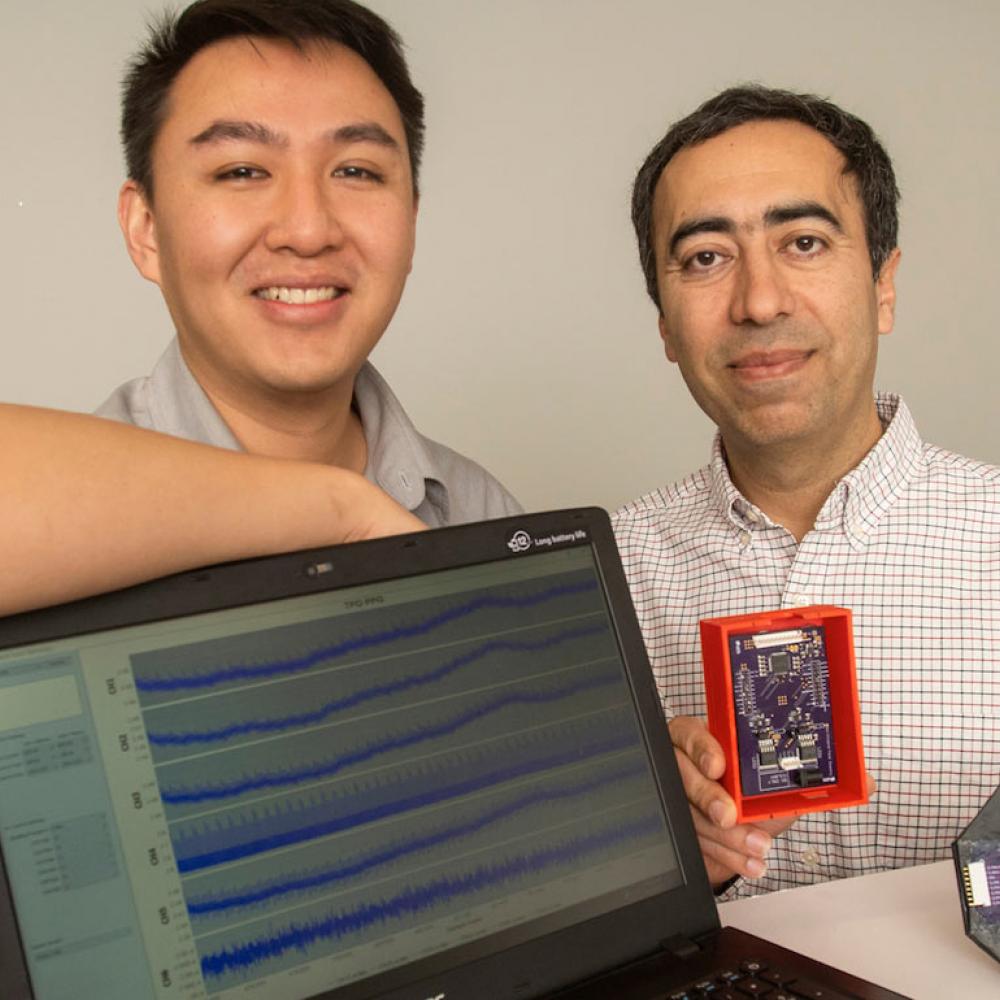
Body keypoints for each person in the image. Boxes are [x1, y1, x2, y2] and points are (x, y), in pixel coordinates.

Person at [613, 85, 1000, 898]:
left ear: (883, 284)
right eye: (706, 258)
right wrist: (650, 862)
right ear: (663, 326)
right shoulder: (598, 582)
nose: (759, 302)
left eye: (805, 242)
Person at [97, 0, 520, 526]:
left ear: (411, 219)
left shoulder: (479, 516)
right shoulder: (49, 520)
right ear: (146, 228)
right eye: (244, 171)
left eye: (356, 172)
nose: (308, 231)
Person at [0, 403, 424, 617]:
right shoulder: (57, 522)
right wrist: (343, 508)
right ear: (145, 237)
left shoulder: (479, 502)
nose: (308, 233)